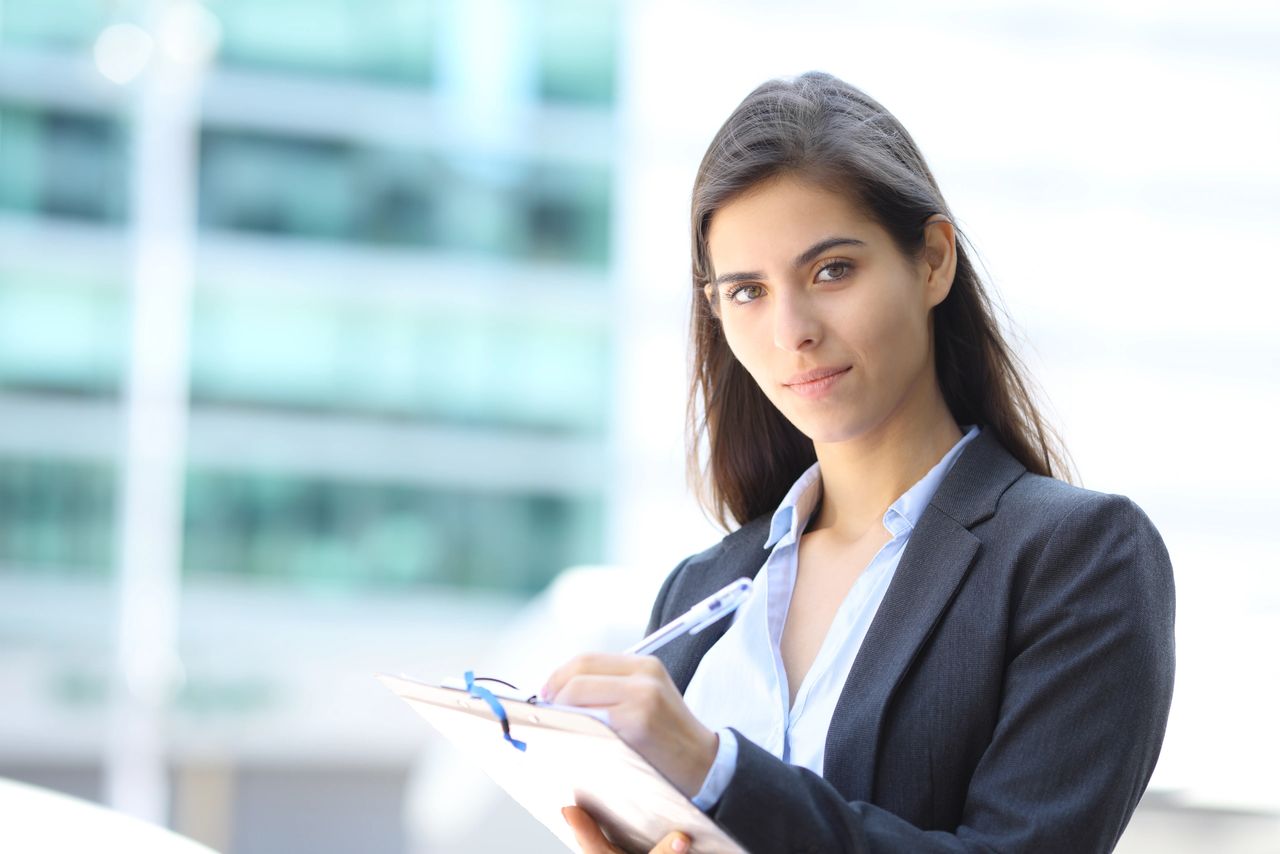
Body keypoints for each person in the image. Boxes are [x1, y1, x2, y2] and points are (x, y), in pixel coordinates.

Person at [542, 71, 1175, 854]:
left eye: (831, 271)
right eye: (747, 291)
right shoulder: (698, 590)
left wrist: (716, 771)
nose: (792, 330)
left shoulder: (1077, 558)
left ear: (934, 262)